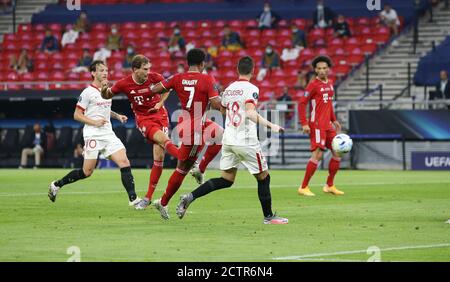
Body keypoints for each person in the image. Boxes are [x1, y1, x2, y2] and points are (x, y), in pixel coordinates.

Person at [176, 56, 288, 225]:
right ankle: (269, 217)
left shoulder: (229, 89)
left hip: (229, 139)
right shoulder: (251, 88)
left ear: (237, 70)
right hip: (246, 141)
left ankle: (190, 197)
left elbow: (222, 109)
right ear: (253, 70)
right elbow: (250, 112)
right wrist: (271, 125)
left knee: (226, 179)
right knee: (264, 177)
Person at [48, 60, 140, 207]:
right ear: (93, 73)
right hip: (92, 134)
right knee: (87, 171)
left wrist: (117, 116)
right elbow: (77, 115)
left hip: (108, 133)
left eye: (106, 70)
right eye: (101, 70)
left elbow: (103, 109)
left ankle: (133, 200)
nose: (105, 73)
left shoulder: (107, 90)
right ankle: (57, 185)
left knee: (124, 162)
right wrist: (94, 122)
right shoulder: (87, 92)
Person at [150, 48, 224, 220]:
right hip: (195, 129)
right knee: (182, 168)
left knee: (220, 134)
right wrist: (224, 100)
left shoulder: (177, 77)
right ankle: (163, 201)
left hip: (190, 122)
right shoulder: (206, 78)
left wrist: (151, 82)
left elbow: (156, 89)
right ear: (202, 64)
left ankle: (200, 168)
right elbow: (215, 104)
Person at [100, 55, 181, 210]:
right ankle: (187, 161)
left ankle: (147, 198)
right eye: (145, 69)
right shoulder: (124, 83)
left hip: (160, 115)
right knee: (163, 140)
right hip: (144, 118)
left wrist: (160, 103)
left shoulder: (154, 78)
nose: (148, 72)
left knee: (159, 157)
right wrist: (104, 89)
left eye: (149, 68)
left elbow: (168, 88)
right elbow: (107, 95)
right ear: (135, 70)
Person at [298, 56, 344, 197]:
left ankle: (329, 185)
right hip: (317, 125)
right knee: (317, 155)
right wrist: (304, 123)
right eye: (319, 69)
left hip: (328, 125)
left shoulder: (330, 83)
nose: (322, 71)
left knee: (337, 152)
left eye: (324, 68)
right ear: (315, 70)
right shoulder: (313, 85)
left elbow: (328, 104)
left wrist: (334, 119)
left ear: (328, 69)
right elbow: (301, 103)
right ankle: (303, 187)